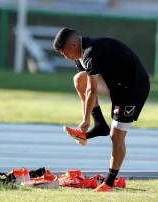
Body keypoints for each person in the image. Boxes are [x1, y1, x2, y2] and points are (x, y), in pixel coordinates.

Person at [53, 28, 150, 192]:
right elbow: (88, 86)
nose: (66, 57)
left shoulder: (91, 52)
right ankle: (100, 125)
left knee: (116, 135)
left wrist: (85, 119)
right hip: (116, 85)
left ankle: (109, 183)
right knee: (79, 79)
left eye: (65, 53)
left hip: (133, 89)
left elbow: (92, 89)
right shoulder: (80, 57)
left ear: (74, 44)